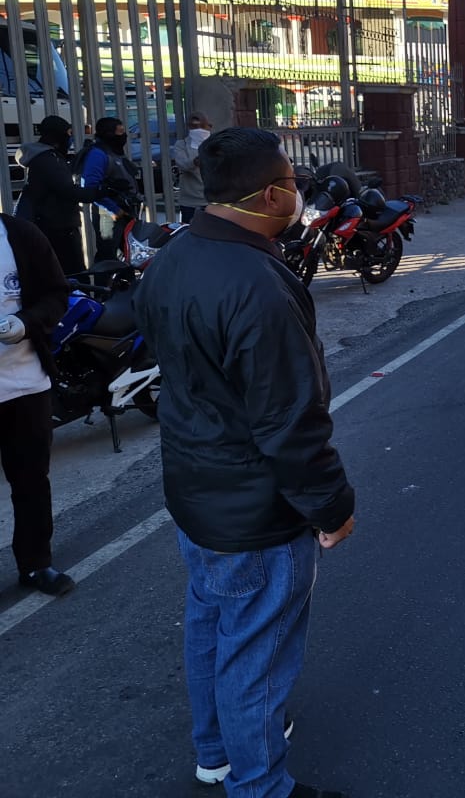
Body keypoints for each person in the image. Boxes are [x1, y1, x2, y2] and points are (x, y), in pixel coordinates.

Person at [135, 128, 355, 798]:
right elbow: (290, 421)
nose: (298, 193)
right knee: (254, 655)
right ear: (268, 194)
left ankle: (217, 751)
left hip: (196, 492)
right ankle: (260, 785)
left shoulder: (174, 257)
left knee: (212, 622)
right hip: (254, 510)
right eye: (292, 182)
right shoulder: (260, 284)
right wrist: (332, 505)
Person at [0, 211, 75, 597]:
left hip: (25, 384)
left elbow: (56, 294)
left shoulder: (21, 235)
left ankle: (35, 564)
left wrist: (26, 323)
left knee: (30, 480)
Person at [13, 115, 99, 275]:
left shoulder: (45, 157)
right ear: (57, 135)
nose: (70, 137)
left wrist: (78, 158)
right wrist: (98, 192)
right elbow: (67, 190)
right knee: (72, 276)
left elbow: (59, 177)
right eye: (68, 133)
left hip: (51, 225)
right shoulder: (48, 159)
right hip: (58, 229)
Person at [79, 116, 139, 262]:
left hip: (125, 211)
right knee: (108, 257)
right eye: (120, 132)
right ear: (108, 134)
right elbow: (90, 186)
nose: (123, 136)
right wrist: (114, 210)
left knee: (129, 254)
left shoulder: (114, 152)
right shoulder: (98, 154)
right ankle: (104, 284)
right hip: (110, 214)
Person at [173, 111, 213, 222]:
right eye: (193, 127)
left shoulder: (216, 144)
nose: (197, 130)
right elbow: (183, 164)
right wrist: (195, 161)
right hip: (190, 201)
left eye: (201, 127)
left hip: (213, 200)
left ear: (209, 126)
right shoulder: (181, 145)